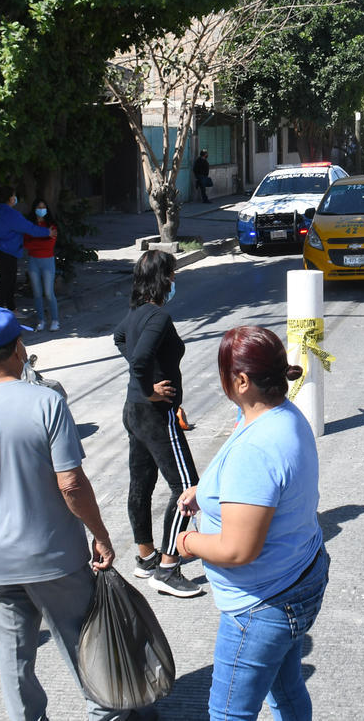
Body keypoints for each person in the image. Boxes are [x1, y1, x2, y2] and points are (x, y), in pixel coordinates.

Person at [0, 308, 140, 721]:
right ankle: (108, 715)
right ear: (17, 348)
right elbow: (71, 485)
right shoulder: (46, 402)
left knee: (13, 664)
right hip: (55, 561)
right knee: (85, 645)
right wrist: (99, 534)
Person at [175, 326, 328, 720]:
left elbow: (237, 549)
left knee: (229, 714)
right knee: (285, 689)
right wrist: (205, 491)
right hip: (299, 573)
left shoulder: (256, 450)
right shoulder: (282, 413)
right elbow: (251, 476)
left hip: (261, 604)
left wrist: (189, 543)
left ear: (241, 381)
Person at [113, 250, 202, 598]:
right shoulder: (158, 317)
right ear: (162, 279)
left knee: (142, 482)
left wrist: (143, 386)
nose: (175, 280)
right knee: (187, 486)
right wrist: (151, 390)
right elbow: (138, 359)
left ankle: (145, 555)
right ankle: (167, 568)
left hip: (133, 413)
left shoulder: (136, 313)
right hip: (154, 414)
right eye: (172, 274)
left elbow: (119, 340)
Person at [0, 185, 55, 312]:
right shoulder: (11, 214)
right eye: (14, 195)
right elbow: (29, 228)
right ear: (10, 198)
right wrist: (46, 232)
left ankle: (11, 309)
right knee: (7, 282)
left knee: (9, 280)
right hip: (7, 251)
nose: (15, 198)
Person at [23, 198, 60, 332]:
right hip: (33, 260)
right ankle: (41, 320)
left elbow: (50, 244)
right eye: (39, 206)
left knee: (49, 292)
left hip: (48, 260)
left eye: (43, 206)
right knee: (37, 293)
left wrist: (35, 241)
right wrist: (43, 238)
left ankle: (55, 320)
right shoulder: (29, 225)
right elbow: (25, 244)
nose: (41, 209)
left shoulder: (51, 224)